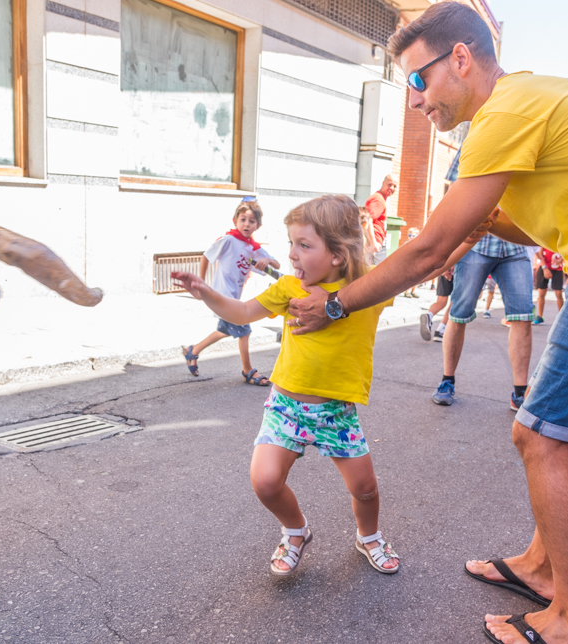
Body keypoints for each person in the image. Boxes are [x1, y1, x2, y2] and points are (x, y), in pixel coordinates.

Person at [285, 2, 568, 644]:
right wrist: (478, 223)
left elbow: (430, 249)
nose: (414, 101)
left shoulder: (502, 115)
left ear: (460, 58)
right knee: (548, 430)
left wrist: (334, 305)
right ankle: (544, 568)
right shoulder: (534, 97)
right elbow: (540, 212)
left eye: (417, 80)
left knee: (542, 437)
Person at [171, 195, 400, 575]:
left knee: (365, 489)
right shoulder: (289, 287)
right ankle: (295, 531)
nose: (291, 254)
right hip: (286, 407)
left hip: (336, 413)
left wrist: (466, 237)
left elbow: (423, 263)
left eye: (304, 245)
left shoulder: (367, 292)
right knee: (265, 481)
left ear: (338, 254)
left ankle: (369, 536)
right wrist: (207, 292)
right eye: (291, 243)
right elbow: (243, 312)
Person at [181, 199, 280, 386]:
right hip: (221, 294)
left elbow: (276, 265)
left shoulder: (253, 248)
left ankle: (193, 350)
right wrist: (200, 283)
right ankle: (248, 371)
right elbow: (206, 256)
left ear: (258, 226)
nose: (246, 224)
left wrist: (266, 260)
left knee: (225, 329)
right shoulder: (228, 240)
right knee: (243, 329)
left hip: (234, 298)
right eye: (243, 219)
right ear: (235, 220)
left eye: (252, 221)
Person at [432, 231, 534, 410]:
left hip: (515, 248)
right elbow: (459, 207)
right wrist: (450, 253)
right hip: (474, 246)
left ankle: (520, 393)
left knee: (523, 317)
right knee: (458, 315)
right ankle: (447, 381)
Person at [364, 175, 397, 265]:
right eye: (389, 184)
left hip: (375, 245)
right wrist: (373, 242)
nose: (392, 188)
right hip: (374, 246)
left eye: (395, 186)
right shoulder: (378, 199)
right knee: (378, 275)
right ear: (383, 183)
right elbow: (368, 221)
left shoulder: (380, 198)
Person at [533, 247, 564, 325]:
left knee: (559, 293)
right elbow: (539, 253)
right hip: (544, 266)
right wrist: (544, 268)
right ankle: (540, 316)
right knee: (541, 293)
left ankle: (561, 317)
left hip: (557, 268)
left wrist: (561, 259)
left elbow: (567, 251)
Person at [421, 268, 453, 341]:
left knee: (441, 301)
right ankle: (441, 330)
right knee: (455, 302)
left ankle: (429, 316)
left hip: (445, 267)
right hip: (459, 268)